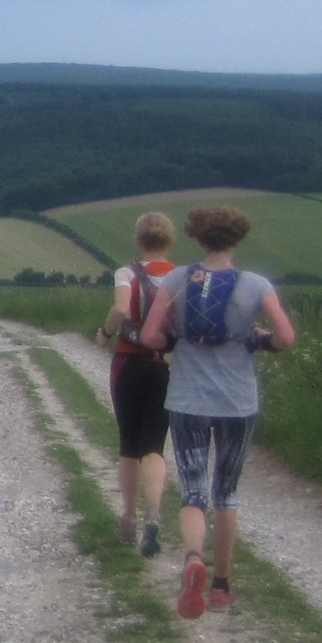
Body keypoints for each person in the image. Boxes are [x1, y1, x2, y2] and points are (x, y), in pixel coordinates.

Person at [139, 205, 298, 618]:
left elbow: (150, 335)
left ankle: (193, 557)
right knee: (226, 492)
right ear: (237, 240)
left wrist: (177, 334)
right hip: (237, 402)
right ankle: (223, 584)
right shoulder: (255, 284)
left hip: (188, 400)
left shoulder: (175, 279)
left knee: (193, 490)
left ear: (197, 238)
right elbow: (285, 336)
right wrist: (257, 340)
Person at [95, 212, 178, 558]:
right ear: (168, 241)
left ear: (139, 240)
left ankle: (129, 516)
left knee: (129, 444)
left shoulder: (127, 273)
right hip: (164, 367)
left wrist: (105, 334)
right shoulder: (180, 277)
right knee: (155, 446)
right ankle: (154, 512)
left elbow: (119, 309)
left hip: (128, 363)